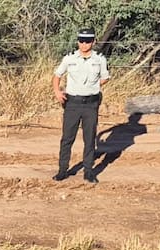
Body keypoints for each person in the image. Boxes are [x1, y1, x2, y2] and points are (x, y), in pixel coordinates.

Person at [52, 27, 110, 184]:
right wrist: (57, 92)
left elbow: (105, 77)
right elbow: (57, 75)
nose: (84, 44)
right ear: (78, 41)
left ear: (93, 41)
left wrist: (92, 86)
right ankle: (62, 170)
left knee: (89, 139)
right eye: (82, 41)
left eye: (88, 41)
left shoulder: (99, 59)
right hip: (72, 103)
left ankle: (89, 171)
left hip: (90, 103)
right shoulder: (70, 58)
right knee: (67, 138)